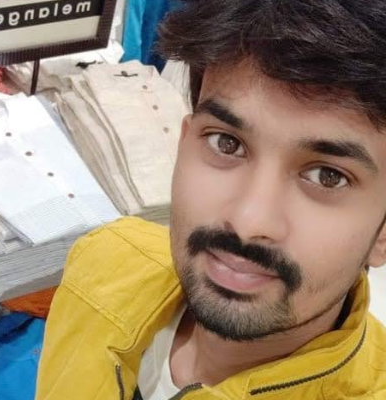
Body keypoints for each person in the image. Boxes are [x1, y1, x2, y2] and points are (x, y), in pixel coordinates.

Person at [35, 1, 386, 399]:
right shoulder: (102, 261)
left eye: (328, 176)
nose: (248, 221)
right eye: (226, 143)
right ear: (182, 144)